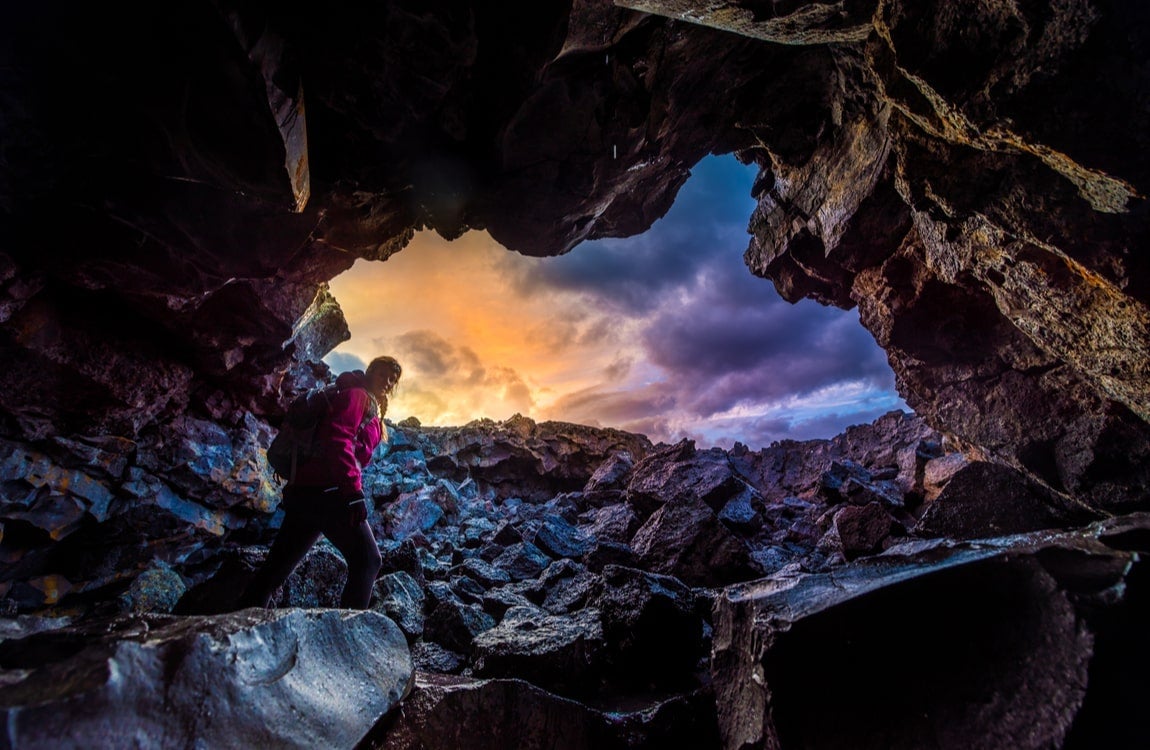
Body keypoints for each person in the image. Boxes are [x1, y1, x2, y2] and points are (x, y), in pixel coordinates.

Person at [240, 356, 402, 610]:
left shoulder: (365, 404)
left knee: (274, 572)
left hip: (305, 493)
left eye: (392, 380)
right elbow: (338, 440)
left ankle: (236, 627)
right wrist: (353, 493)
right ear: (370, 371)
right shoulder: (358, 397)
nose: (387, 382)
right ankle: (349, 639)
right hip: (328, 493)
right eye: (383, 375)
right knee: (368, 561)